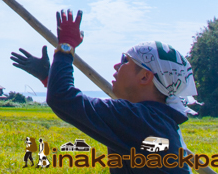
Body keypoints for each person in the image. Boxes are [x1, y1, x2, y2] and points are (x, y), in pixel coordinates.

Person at [11, 10, 198, 173]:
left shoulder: (142, 120)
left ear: (144, 77)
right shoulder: (153, 121)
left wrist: (66, 46)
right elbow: (76, 107)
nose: (117, 65)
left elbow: (63, 99)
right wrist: (49, 79)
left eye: (125, 61)